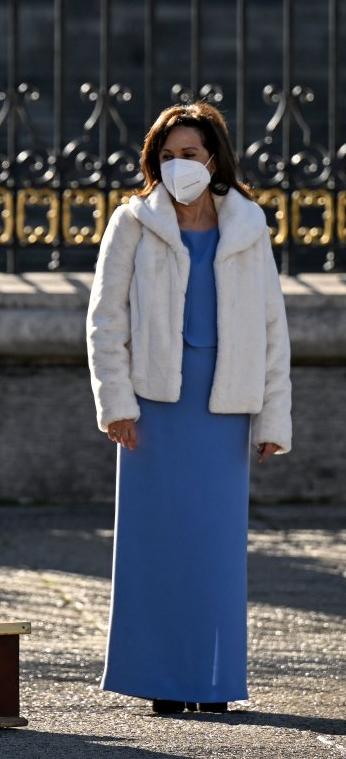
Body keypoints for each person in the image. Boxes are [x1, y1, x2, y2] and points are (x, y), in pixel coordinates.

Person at [86, 101, 292, 714]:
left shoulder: (249, 226)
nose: (181, 166)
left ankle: (213, 683)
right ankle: (161, 682)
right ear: (156, 162)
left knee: (216, 554)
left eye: (191, 155)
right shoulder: (132, 222)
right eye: (169, 156)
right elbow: (104, 321)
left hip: (225, 408)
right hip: (153, 408)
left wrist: (273, 417)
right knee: (154, 549)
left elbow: (272, 328)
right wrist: (115, 402)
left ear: (214, 158)